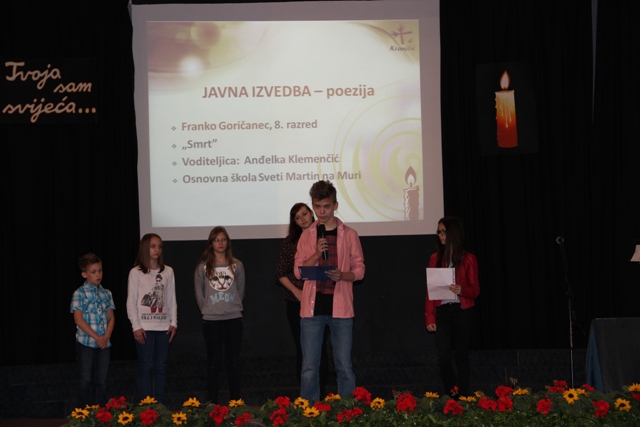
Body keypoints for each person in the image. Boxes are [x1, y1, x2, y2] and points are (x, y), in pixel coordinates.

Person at [294, 180, 365, 401]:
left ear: (335, 205)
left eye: (326, 206)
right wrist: (316, 254)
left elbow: (360, 270)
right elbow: (298, 272)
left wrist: (343, 275)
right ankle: (309, 411)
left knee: (344, 366)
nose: (321, 212)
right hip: (312, 309)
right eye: (317, 206)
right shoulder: (307, 235)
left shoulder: (349, 234)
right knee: (309, 367)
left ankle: (348, 411)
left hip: (341, 308)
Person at [275, 203, 329, 394]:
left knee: (321, 349)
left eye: (305, 214)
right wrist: (296, 291)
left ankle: (322, 394)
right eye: (297, 218)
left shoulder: (325, 236)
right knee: (304, 350)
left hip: (321, 299)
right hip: (296, 302)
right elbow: (280, 273)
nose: (303, 219)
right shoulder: (291, 243)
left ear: (312, 213)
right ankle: (306, 396)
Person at [425, 216, 480, 398]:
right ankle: (452, 395)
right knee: (444, 358)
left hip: (462, 311)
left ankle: (463, 396)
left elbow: (475, 290)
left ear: (453, 233)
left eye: (443, 231)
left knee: (461, 355)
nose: (440, 235)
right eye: (439, 232)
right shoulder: (435, 258)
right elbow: (430, 291)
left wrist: (462, 290)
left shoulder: (468, 258)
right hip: (443, 311)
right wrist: (430, 317)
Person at [195, 226, 245, 403]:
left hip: (233, 318)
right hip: (212, 319)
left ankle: (236, 402)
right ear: (211, 243)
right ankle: (212, 402)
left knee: (233, 363)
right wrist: (209, 310)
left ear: (228, 242)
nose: (220, 243)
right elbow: (199, 294)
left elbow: (240, 291)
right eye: (216, 240)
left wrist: (232, 306)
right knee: (214, 363)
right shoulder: (203, 267)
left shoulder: (237, 266)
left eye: (223, 239)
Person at [126, 233, 178, 403]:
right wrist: (136, 326)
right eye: (153, 246)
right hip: (144, 327)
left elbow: (172, 299)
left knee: (160, 367)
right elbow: (131, 301)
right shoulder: (136, 272)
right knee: (145, 365)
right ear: (145, 248)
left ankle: (159, 406)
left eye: (159, 246)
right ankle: (146, 406)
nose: (157, 250)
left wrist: (173, 323)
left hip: (163, 327)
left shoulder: (168, 271)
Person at [70, 253, 115, 407]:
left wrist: (106, 337)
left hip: (104, 344)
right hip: (86, 343)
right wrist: (97, 337)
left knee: (101, 381)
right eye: (94, 272)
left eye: (100, 271)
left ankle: (101, 413)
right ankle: (83, 413)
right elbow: (78, 319)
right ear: (84, 274)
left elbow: (111, 318)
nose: (98, 275)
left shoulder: (106, 293)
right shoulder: (79, 293)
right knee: (85, 379)